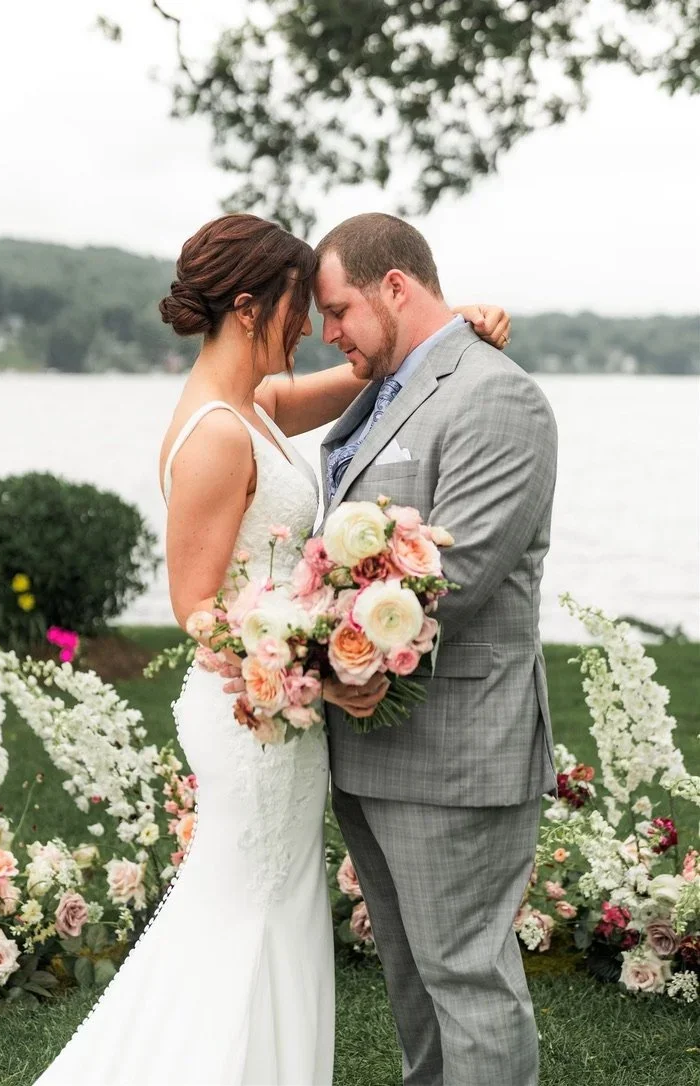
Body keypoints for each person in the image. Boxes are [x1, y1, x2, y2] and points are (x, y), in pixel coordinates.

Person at [33, 212, 510, 1086]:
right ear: (252, 307)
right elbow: (194, 607)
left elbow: (358, 378)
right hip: (254, 713)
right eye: (303, 307)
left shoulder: (248, 404)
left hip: (273, 714)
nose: (316, 327)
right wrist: (316, 674)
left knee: (272, 919)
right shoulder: (216, 432)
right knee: (244, 922)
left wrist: (453, 331)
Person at [313, 212, 558, 1086]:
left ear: (395, 285)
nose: (329, 332)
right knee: (416, 982)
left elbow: (453, 576)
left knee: (466, 979)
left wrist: (313, 653)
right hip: (372, 750)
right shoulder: (382, 387)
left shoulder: (495, 395)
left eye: (337, 310)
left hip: (459, 751)